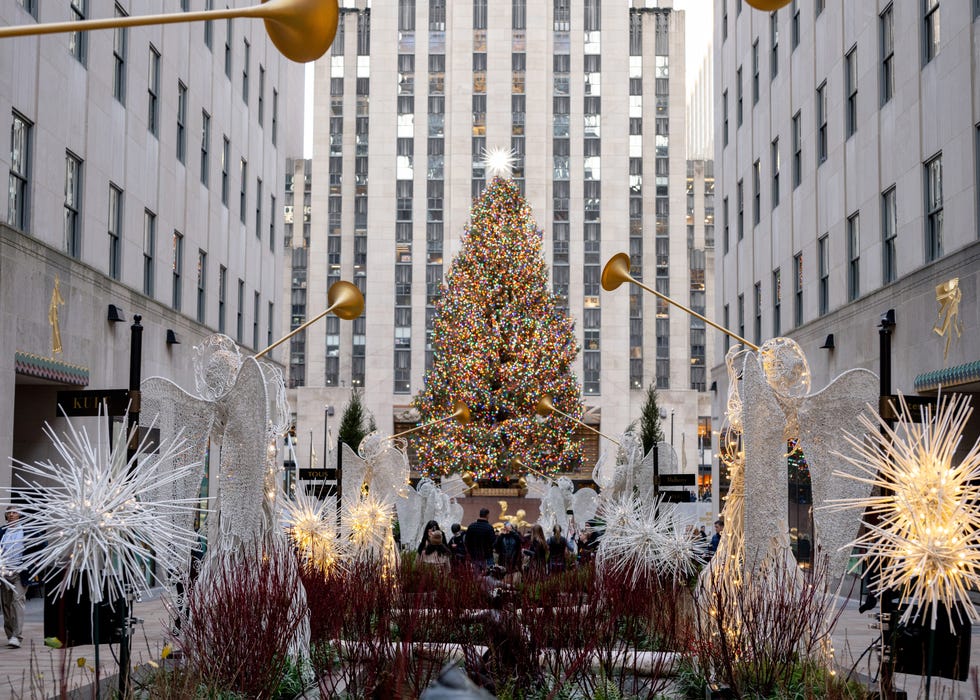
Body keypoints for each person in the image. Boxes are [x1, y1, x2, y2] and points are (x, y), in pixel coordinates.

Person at [0, 507, 26, 648]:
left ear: (19, 515)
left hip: (19, 573)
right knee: (6, 605)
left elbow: (41, 545)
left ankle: (17, 635)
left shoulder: (27, 531)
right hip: (4, 573)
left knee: (17, 601)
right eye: (9, 513)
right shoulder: (2, 532)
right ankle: (10, 635)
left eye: (14, 512)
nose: (11, 515)